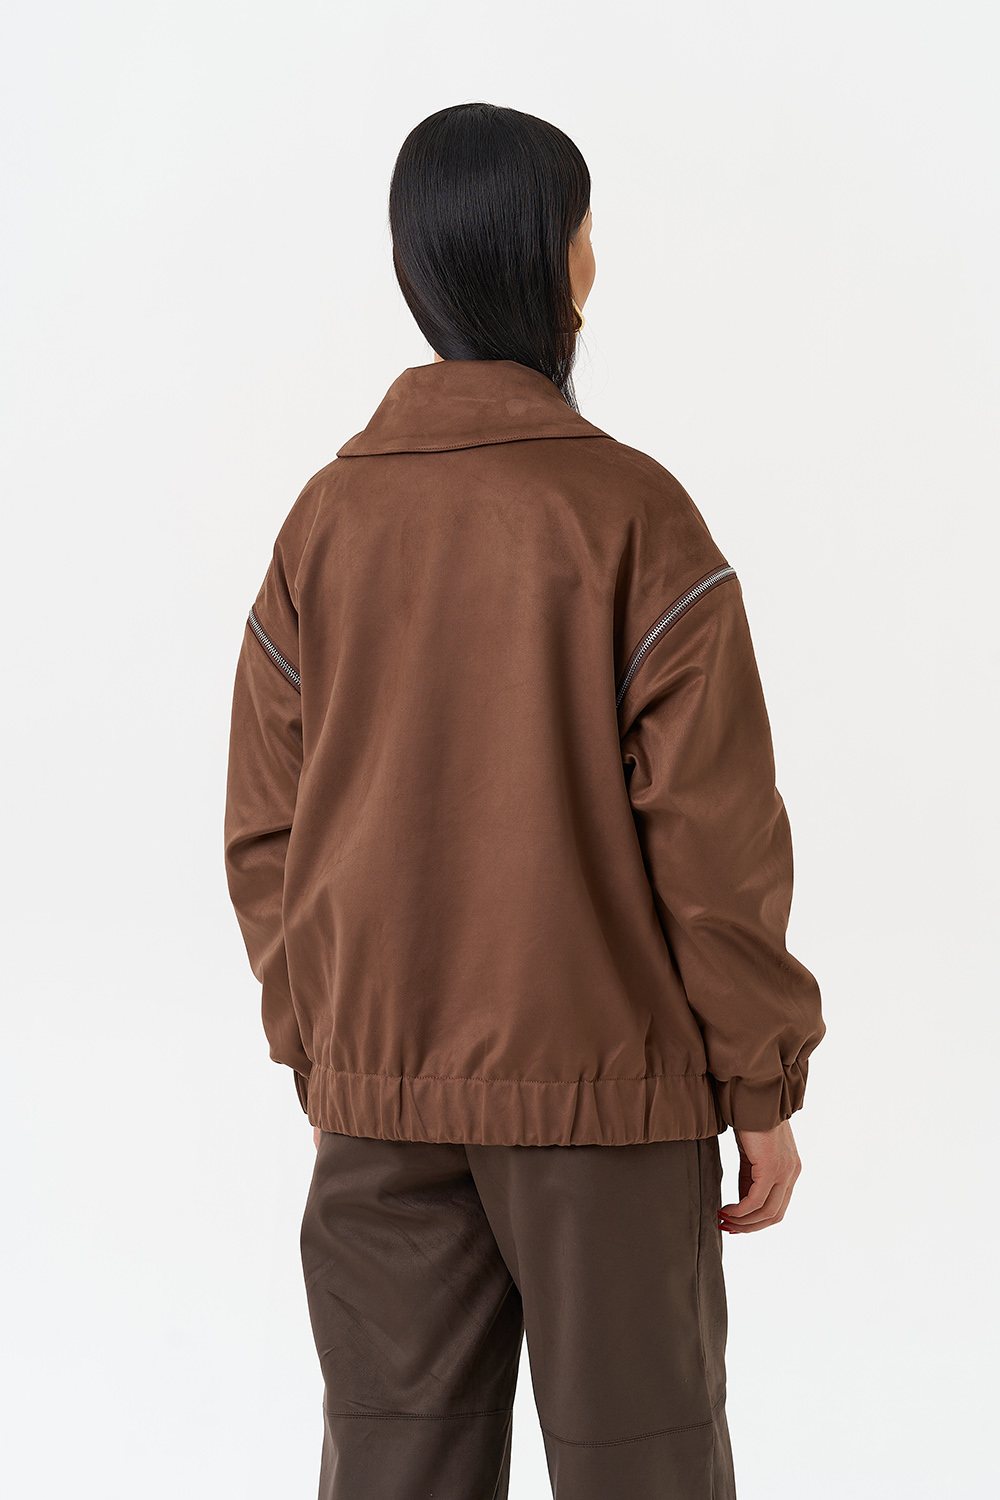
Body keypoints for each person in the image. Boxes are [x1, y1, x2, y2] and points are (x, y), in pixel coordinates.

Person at [223, 101, 826, 1500]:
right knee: (644, 1474)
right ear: (565, 261)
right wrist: (761, 1083)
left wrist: (329, 1049)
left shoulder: (323, 524)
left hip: (378, 1098)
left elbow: (265, 827)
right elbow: (714, 843)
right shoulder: (633, 515)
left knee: (394, 1474)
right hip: (606, 1100)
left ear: (416, 269)